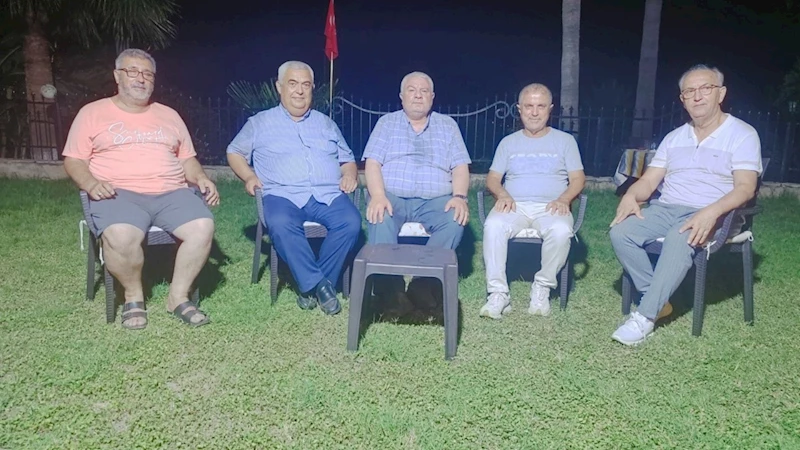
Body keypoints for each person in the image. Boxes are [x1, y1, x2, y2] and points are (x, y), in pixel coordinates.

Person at [63, 48, 218, 329]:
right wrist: (91, 183)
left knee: (202, 226)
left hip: (172, 192)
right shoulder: (92, 113)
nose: (141, 78)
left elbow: (187, 159)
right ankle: (133, 296)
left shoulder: (169, 115)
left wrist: (200, 178)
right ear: (117, 76)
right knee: (121, 235)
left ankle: (178, 297)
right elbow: (74, 160)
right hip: (118, 193)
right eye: (132, 71)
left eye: (148, 73)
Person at [609, 64, 762, 345]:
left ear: (721, 94)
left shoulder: (742, 134)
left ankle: (645, 317)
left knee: (679, 238)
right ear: (682, 99)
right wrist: (631, 195)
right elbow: (649, 181)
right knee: (621, 232)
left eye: (706, 88)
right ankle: (659, 301)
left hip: (714, 212)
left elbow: (745, 188)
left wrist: (712, 212)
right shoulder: (674, 137)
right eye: (689, 91)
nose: (697, 96)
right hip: (666, 208)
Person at [227, 60, 361, 316]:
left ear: (312, 89)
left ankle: (311, 287)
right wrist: (249, 176)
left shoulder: (326, 123)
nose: (299, 91)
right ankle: (321, 286)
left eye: (306, 85)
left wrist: (349, 174)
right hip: (282, 195)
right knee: (279, 223)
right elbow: (234, 152)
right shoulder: (260, 123)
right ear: (279, 87)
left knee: (351, 222)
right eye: (292, 84)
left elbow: (347, 159)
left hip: (326, 194)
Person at [361, 71, 471, 309]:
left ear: (432, 97)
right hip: (392, 196)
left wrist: (459, 197)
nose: (418, 95)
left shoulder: (448, 126)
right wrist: (378, 195)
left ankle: (424, 283)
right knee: (379, 215)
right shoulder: (386, 123)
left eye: (424, 91)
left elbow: (460, 167)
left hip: (435, 200)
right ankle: (390, 292)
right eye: (412, 90)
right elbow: (372, 163)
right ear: (402, 96)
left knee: (455, 217)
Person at [479, 83, 585, 319]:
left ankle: (542, 287)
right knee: (493, 225)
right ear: (519, 109)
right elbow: (493, 179)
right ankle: (498, 293)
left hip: (551, 207)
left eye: (541, 106)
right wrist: (503, 194)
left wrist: (564, 199)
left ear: (550, 109)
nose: (534, 112)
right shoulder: (508, 143)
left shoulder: (565, 141)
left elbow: (578, 179)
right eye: (529, 106)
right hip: (514, 206)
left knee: (560, 230)